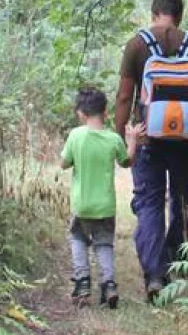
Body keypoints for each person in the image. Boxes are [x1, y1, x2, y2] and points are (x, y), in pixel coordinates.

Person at [115, 0, 188, 303]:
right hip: (186, 140)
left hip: (148, 136)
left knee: (149, 202)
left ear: (154, 13)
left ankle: (155, 276)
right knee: (181, 197)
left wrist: (121, 138)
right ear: (180, 16)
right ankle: (180, 263)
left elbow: (124, 97)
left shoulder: (137, 45)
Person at [60, 86, 141, 309]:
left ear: (81, 114)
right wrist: (132, 139)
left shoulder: (75, 136)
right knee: (104, 245)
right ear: (105, 112)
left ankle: (83, 283)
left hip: (82, 205)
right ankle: (109, 285)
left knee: (78, 240)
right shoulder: (114, 139)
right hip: (105, 207)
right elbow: (127, 162)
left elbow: (63, 163)